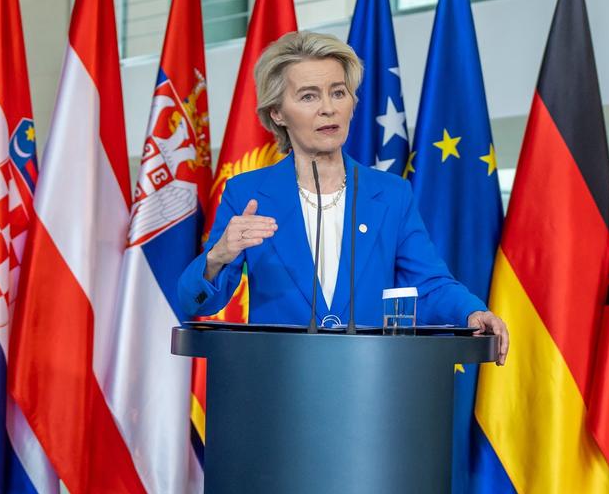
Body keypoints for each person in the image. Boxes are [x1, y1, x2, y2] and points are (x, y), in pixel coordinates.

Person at [176, 30, 508, 362]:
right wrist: (217, 257)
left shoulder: (391, 194)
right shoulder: (247, 194)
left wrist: (472, 312)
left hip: (370, 383)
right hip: (277, 385)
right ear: (277, 112)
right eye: (308, 97)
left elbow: (430, 284)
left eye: (338, 93)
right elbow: (196, 302)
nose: (328, 109)